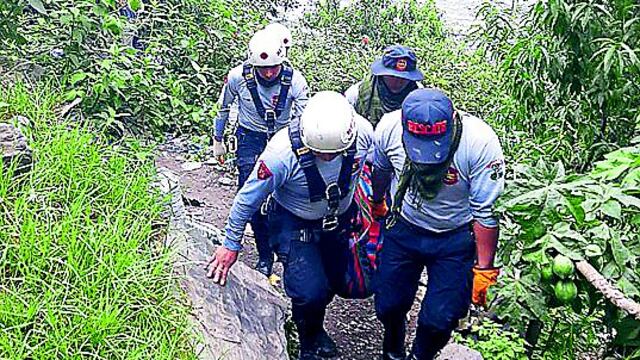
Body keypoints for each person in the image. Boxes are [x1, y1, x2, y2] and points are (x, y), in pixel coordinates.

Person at [206, 91, 374, 360]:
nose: (327, 158)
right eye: (320, 153)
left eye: (334, 153)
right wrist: (230, 244)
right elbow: (247, 199)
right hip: (293, 221)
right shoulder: (281, 153)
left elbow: (374, 168)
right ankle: (308, 339)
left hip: (339, 219)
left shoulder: (363, 133)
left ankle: (314, 323)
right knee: (309, 291)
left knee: (339, 281)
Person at [370, 88, 505, 360]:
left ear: (453, 121)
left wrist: (484, 268)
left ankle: (421, 356)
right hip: (405, 225)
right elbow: (381, 168)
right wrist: (377, 204)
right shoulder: (388, 128)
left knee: (441, 318)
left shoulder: (479, 143)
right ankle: (393, 351)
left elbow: (485, 212)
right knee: (388, 304)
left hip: (455, 237)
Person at [211, 29, 309, 277]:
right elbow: (224, 108)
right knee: (251, 193)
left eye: (273, 68)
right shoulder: (237, 78)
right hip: (250, 137)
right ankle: (264, 256)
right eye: (262, 68)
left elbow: (304, 118)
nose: (268, 73)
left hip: (284, 139)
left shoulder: (296, 81)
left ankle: (285, 249)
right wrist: (218, 138)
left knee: (283, 194)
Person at [345, 45, 424, 128]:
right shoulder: (355, 94)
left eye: (403, 78)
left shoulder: (419, 96)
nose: (397, 82)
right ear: (382, 75)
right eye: (392, 76)